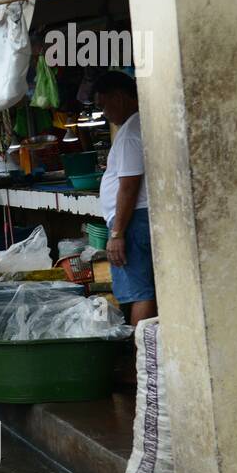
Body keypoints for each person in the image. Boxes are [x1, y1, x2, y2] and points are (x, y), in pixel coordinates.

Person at [95, 71, 155, 324]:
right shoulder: (139, 125)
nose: (104, 113)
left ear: (118, 98)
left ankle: (142, 358)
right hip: (136, 218)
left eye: (103, 105)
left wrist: (117, 233)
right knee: (144, 290)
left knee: (142, 293)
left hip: (132, 221)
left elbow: (129, 186)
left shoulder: (131, 132)